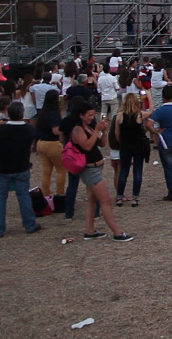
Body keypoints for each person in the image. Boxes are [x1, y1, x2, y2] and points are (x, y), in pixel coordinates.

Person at [70, 102, 133, 241]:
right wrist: (97, 129)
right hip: (89, 168)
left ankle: (90, 230)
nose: (92, 118)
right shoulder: (78, 130)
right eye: (89, 115)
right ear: (81, 115)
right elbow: (86, 146)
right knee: (105, 201)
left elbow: (102, 143)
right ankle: (117, 232)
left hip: (95, 167)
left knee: (92, 200)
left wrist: (103, 130)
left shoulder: (89, 127)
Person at [0, 101, 41, 237]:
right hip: (21, 166)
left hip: (1, 167)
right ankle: (29, 224)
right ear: (22, 114)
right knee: (23, 196)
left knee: (0, 198)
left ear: (8, 113)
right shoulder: (29, 129)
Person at [116, 93, 152, 207]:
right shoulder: (139, 115)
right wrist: (149, 97)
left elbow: (117, 133)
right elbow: (151, 111)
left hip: (125, 145)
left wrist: (121, 141)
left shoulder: (120, 115)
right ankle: (135, 197)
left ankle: (119, 196)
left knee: (123, 171)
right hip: (138, 146)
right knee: (137, 171)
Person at [36, 90, 66, 197]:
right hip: (52, 143)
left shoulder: (42, 112)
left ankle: (45, 194)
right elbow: (56, 131)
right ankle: (60, 194)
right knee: (61, 170)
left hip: (41, 143)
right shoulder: (53, 113)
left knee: (46, 171)